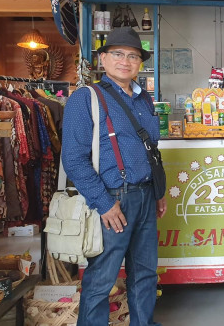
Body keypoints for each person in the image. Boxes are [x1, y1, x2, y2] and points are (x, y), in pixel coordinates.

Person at [62, 27, 165, 326]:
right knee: (102, 277)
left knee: (145, 273)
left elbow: (152, 150)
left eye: (133, 56)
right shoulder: (86, 98)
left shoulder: (144, 99)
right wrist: (104, 203)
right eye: (118, 54)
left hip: (146, 195)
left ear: (139, 63)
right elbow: (73, 159)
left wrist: (159, 192)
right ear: (103, 59)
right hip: (112, 199)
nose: (126, 61)